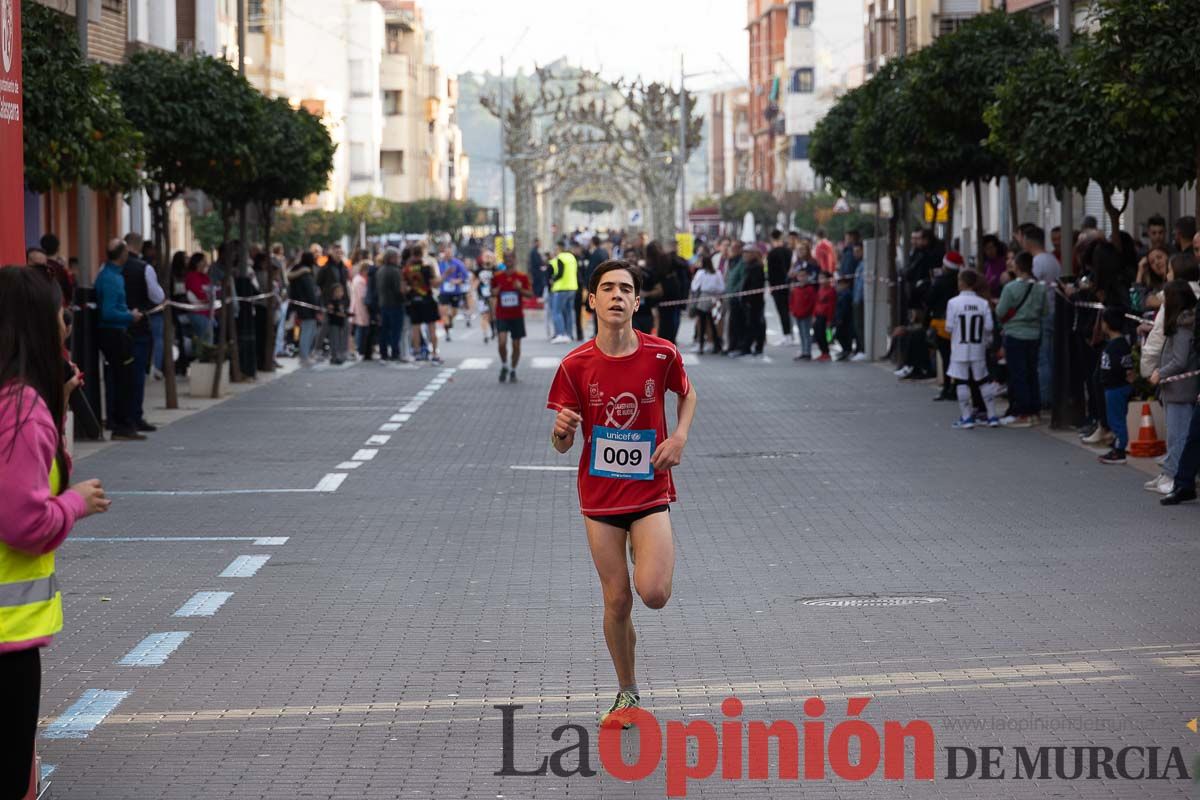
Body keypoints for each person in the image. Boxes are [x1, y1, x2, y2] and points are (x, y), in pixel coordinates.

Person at [546, 259, 697, 729]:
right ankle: (627, 692)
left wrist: (679, 438)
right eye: (606, 288)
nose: (616, 295)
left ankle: (649, 546)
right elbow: (561, 443)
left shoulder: (661, 354)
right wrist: (562, 431)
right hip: (601, 501)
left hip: (649, 491)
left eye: (625, 289)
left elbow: (687, 394)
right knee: (617, 601)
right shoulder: (574, 365)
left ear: (636, 301)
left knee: (652, 593)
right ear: (591, 300)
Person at [0, 266, 111, 800]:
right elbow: (25, 523)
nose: (67, 327)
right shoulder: (19, 408)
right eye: (60, 316)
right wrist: (75, 503)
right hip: (6, 639)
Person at [1146, 281, 1197, 493]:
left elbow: (1180, 360)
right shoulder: (1182, 323)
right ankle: (1168, 472)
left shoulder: (1182, 326)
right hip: (1176, 388)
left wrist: (1160, 372)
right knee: (1175, 433)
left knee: (1178, 434)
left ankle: (1173, 475)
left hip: (1180, 389)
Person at [95, 239, 146, 441]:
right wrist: (129, 316)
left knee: (119, 378)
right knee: (124, 379)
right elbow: (108, 312)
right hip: (114, 333)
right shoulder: (111, 279)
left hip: (116, 332)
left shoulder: (110, 275)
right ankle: (122, 424)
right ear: (123, 254)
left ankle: (119, 422)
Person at [995, 252, 1047, 427]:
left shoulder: (1010, 288)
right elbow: (1045, 311)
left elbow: (1000, 312)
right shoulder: (1040, 288)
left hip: (1015, 333)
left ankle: (1022, 411)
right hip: (1034, 334)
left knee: (1018, 374)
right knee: (1032, 372)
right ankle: (1034, 410)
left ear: (1017, 266)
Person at [943, 270, 1001, 429]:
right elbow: (989, 327)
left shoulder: (953, 303)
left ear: (961, 282)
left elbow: (948, 328)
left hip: (960, 347)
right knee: (983, 380)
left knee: (961, 381)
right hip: (978, 347)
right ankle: (992, 416)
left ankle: (967, 417)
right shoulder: (982, 303)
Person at [121, 233, 160, 430]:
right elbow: (157, 295)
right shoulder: (145, 268)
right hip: (139, 328)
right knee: (137, 374)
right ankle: (135, 415)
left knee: (117, 374)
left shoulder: (110, 267)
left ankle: (118, 417)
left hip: (116, 329)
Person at [1096, 307, 1133, 465]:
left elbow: (1118, 367)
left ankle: (1119, 450)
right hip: (1119, 386)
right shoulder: (1122, 343)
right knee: (1117, 418)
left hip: (1115, 387)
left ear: (1107, 324)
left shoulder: (1114, 346)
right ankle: (1118, 445)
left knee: (1116, 420)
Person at [492, 250, 534, 383]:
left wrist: (520, 289)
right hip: (502, 315)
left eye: (511, 257)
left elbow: (530, 294)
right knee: (501, 343)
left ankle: (513, 369)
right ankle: (504, 365)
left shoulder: (522, 277)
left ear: (515, 259)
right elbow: (491, 292)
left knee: (516, 346)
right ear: (503, 260)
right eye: (506, 257)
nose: (509, 259)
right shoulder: (497, 276)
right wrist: (495, 291)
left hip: (516, 316)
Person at [404, 253, 442, 365]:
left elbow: (404, 288)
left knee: (416, 328)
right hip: (428, 300)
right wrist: (444, 276)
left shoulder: (407, 270)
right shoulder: (427, 268)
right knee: (432, 328)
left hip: (414, 301)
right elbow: (434, 284)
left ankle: (417, 353)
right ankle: (434, 353)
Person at [287, 252, 321, 367]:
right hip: (308, 307)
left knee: (307, 331)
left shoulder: (296, 271)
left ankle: (305, 355)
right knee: (308, 331)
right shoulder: (306, 274)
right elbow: (310, 292)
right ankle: (304, 356)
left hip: (301, 306)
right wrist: (316, 307)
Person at [377, 247, 409, 362]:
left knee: (384, 330)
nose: (399, 259)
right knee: (396, 330)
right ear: (392, 258)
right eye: (397, 257)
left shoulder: (380, 270)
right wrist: (405, 294)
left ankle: (383, 352)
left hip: (383, 303)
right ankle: (395, 352)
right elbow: (399, 289)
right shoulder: (395, 271)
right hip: (395, 304)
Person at [547, 241, 580, 343]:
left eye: (556, 249)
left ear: (559, 248)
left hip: (561, 288)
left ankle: (560, 334)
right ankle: (569, 334)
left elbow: (560, 273)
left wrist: (553, 279)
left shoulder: (560, 257)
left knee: (557, 312)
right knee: (569, 312)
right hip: (572, 287)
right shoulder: (572, 257)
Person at [689, 254, 723, 354]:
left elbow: (695, 286)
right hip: (714, 298)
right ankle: (717, 345)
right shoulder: (717, 273)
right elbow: (721, 287)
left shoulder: (701, 273)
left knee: (702, 323)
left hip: (703, 298)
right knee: (713, 323)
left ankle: (701, 345)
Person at [766, 229, 793, 345]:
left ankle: (787, 335)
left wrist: (771, 287)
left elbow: (770, 273)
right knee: (788, 310)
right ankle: (789, 334)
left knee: (782, 311)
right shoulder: (788, 251)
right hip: (789, 285)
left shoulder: (772, 253)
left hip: (777, 286)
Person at [437, 244, 470, 340]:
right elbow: (436, 276)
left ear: (452, 253)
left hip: (455, 291)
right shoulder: (440, 263)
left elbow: (465, 276)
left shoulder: (458, 263)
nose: (447, 254)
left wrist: (457, 281)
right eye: (446, 253)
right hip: (444, 291)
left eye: (449, 253)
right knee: (444, 313)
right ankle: (447, 333)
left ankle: (450, 320)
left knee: (454, 312)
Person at [738, 247, 766, 356]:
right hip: (751, 300)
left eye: (746, 254)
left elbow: (755, 285)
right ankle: (751, 346)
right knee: (753, 323)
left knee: (754, 324)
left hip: (754, 301)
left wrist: (749, 299)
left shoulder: (755, 267)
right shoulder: (751, 266)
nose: (744, 256)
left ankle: (751, 346)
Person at [789, 269, 816, 361]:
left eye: (804, 276)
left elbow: (812, 302)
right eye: (800, 276)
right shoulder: (795, 289)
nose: (802, 278)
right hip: (797, 315)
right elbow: (792, 301)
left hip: (806, 315)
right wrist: (793, 310)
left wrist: (811, 313)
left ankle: (807, 352)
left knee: (806, 334)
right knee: (801, 334)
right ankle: (803, 351)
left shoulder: (810, 289)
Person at [812, 271, 836, 363]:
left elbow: (831, 306)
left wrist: (829, 320)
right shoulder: (820, 289)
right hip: (818, 315)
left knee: (823, 335)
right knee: (817, 334)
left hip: (825, 316)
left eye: (823, 278)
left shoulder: (831, 291)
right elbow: (816, 303)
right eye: (820, 278)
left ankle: (826, 352)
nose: (821, 280)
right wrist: (814, 315)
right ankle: (822, 352)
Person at [474, 250, 496, 344]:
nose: (487, 258)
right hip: (482, 297)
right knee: (484, 316)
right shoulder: (478, 270)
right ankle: (485, 334)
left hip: (493, 296)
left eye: (489, 256)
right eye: (486, 256)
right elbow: (474, 281)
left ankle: (493, 329)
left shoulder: (496, 270)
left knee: (492, 316)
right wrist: (472, 291)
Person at [350, 262, 371, 360]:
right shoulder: (360, 281)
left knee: (360, 328)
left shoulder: (357, 279)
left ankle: (359, 349)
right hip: (361, 307)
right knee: (361, 329)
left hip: (358, 306)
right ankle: (359, 350)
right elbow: (363, 296)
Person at [851, 242, 867, 361]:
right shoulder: (859, 264)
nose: (855, 254)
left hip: (860, 299)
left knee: (860, 325)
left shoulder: (864, 265)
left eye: (858, 251)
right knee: (857, 325)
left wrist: (859, 298)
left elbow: (861, 285)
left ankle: (863, 349)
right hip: (856, 298)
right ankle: (860, 348)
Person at [326, 283, 349, 365]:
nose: (340, 293)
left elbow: (344, 311)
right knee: (334, 340)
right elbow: (330, 312)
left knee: (340, 340)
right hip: (334, 323)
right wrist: (336, 313)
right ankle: (334, 356)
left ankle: (339, 355)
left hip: (341, 323)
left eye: (341, 291)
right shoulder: (331, 302)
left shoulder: (342, 301)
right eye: (338, 292)